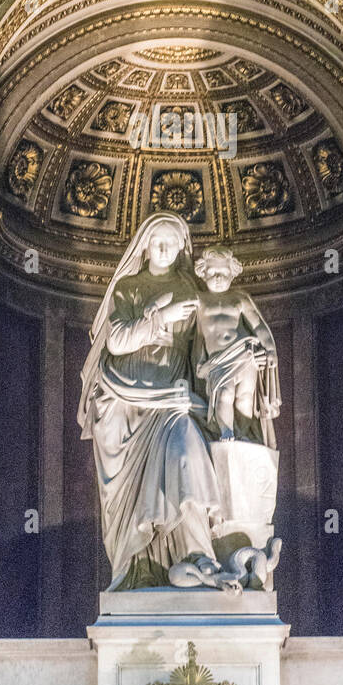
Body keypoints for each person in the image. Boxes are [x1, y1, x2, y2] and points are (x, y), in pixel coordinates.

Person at [78, 212, 224, 590]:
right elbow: (117, 341)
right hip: (124, 397)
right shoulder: (128, 287)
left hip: (172, 398)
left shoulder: (192, 288)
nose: (164, 247)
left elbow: (205, 347)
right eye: (158, 240)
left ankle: (199, 556)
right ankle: (137, 569)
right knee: (125, 491)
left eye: (172, 242)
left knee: (188, 451)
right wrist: (161, 317)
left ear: (181, 249)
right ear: (144, 245)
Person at [193, 245, 280, 447]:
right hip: (219, 360)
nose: (218, 277)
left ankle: (242, 433)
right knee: (224, 394)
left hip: (244, 354)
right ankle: (226, 431)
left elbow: (258, 324)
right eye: (213, 272)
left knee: (245, 396)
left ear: (232, 273)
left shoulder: (239, 298)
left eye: (223, 273)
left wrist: (270, 349)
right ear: (203, 273)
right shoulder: (199, 299)